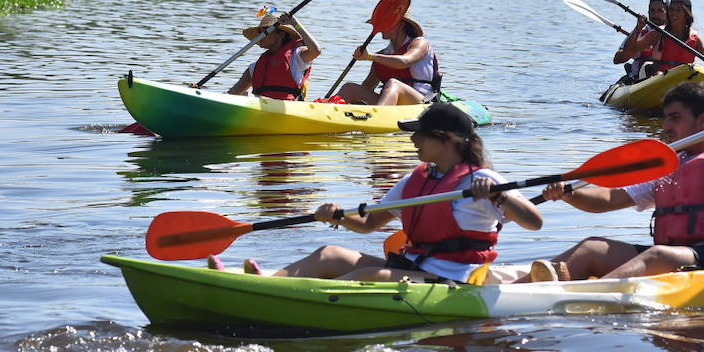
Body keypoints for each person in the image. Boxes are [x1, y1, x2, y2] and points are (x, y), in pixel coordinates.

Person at [216, 102, 543, 283]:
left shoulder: (481, 179)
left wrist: (497, 196)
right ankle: (267, 284)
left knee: (370, 274)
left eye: (421, 135)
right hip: (415, 267)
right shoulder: (416, 179)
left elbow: (534, 222)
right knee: (331, 253)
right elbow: (368, 224)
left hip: (457, 280)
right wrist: (337, 216)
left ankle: (280, 301)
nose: (413, 141)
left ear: (447, 140)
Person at [528, 82, 704, 281]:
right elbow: (610, 199)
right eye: (665, 118)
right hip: (679, 255)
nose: (666, 127)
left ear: (703, 120)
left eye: (675, 118)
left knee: (658, 255)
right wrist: (568, 194)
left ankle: (581, 297)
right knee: (592, 247)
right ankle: (515, 289)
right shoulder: (670, 164)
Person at [337, 15, 440, 106]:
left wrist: (369, 57)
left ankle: (376, 119)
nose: (381, 27)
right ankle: (328, 110)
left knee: (393, 84)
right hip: (389, 103)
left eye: (386, 22)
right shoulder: (382, 55)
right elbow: (368, 87)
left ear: (401, 24)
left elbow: (405, 62)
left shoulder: (420, 43)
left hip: (421, 102)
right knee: (349, 88)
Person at [227, 9, 321, 100]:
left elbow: (316, 51)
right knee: (240, 96)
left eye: (266, 31)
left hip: (288, 106)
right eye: (260, 32)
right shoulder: (254, 68)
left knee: (246, 96)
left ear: (281, 35)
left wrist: (295, 24)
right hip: (260, 108)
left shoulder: (297, 56)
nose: (261, 35)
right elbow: (232, 94)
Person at [638, 0, 704, 76]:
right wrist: (637, 29)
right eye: (671, 9)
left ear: (686, 14)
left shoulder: (695, 38)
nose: (673, 13)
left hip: (685, 79)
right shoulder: (659, 32)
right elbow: (631, 49)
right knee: (658, 73)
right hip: (661, 78)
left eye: (678, 10)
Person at [614, 0, 667, 82]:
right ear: (648, 12)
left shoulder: (674, 33)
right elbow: (617, 59)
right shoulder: (640, 32)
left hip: (665, 77)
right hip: (638, 81)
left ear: (667, 13)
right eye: (652, 11)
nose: (655, 15)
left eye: (660, 11)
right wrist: (636, 45)